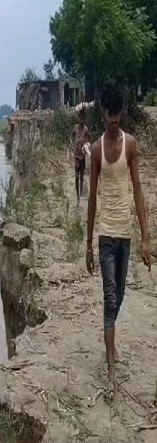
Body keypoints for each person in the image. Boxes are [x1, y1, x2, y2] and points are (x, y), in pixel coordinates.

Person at [86, 85, 151, 398]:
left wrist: (146, 239)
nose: (112, 120)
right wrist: (87, 243)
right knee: (110, 298)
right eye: (108, 115)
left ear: (120, 112)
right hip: (105, 237)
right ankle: (112, 365)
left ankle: (109, 344)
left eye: (116, 115)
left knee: (120, 296)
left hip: (125, 235)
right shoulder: (96, 150)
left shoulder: (131, 145)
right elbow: (92, 199)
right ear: (103, 112)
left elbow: (138, 191)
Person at [71, 107, 90, 204]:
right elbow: (71, 138)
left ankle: (81, 191)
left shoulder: (86, 129)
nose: (81, 120)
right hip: (76, 156)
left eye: (83, 118)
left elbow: (89, 139)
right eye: (80, 118)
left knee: (82, 175)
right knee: (76, 176)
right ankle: (78, 196)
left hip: (82, 155)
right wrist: (72, 146)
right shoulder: (75, 128)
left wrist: (86, 145)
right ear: (78, 118)